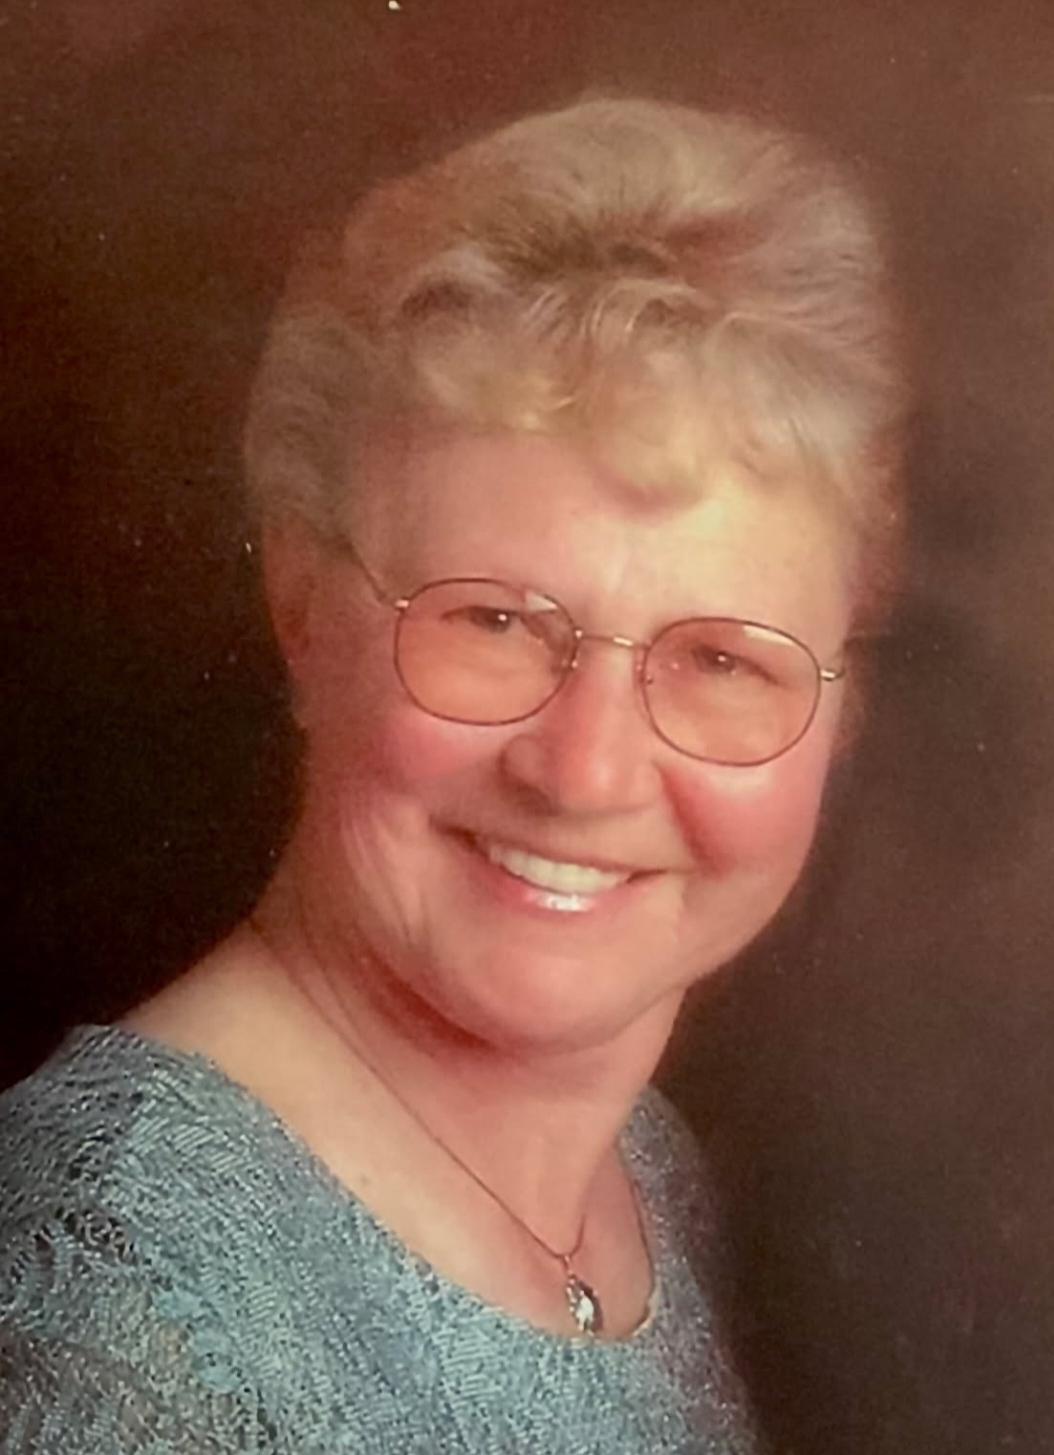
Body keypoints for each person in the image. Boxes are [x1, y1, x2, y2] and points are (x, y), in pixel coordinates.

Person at [0, 96, 905, 1452]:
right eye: (494, 623)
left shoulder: (647, 1171)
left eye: (722, 659)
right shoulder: (107, 1311)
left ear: (838, 713)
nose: (584, 771)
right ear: (305, 610)